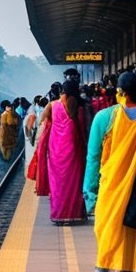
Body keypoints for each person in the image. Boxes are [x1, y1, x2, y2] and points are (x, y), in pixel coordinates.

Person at [84, 71, 136, 272]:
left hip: (111, 195)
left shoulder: (104, 118)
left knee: (110, 244)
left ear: (120, 91)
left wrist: (90, 195)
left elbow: (93, 159)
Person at [37, 77, 88, 224]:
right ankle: (76, 213)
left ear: (62, 91)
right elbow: (83, 129)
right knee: (75, 181)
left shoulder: (52, 105)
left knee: (58, 182)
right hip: (74, 148)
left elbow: (43, 124)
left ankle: (59, 214)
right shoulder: (79, 106)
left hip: (56, 149)